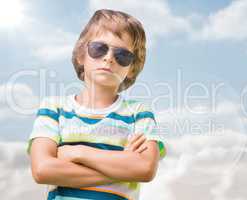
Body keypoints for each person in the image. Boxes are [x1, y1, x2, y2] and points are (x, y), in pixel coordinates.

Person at [26, 9, 166, 200]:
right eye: (99, 48)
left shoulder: (139, 112)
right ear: (81, 56)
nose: (108, 58)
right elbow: (42, 170)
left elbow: (145, 169)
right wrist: (123, 169)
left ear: (132, 69)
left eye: (123, 55)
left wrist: (77, 153)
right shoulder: (54, 109)